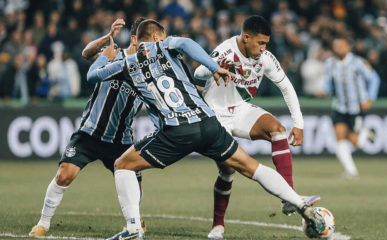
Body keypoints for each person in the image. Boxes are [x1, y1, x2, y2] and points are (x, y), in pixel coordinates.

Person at [87, 19, 326, 240]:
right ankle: (299, 203)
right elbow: (188, 45)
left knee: (123, 164)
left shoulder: (126, 63)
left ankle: (132, 228)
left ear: (139, 40)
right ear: (159, 36)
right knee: (251, 166)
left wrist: (104, 57)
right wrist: (213, 67)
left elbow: (92, 76)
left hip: (177, 130)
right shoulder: (169, 46)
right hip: (208, 121)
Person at [193, 15, 320, 239]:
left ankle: (288, 199)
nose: (263, 48)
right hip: (216, 115)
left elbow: (287, 88)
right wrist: (214, 66)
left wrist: (298, 124)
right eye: (260, 43)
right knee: (228, 170)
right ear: (246, 37)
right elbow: (198, 75)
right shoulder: (225, 50)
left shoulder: (266, 58)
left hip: (241, 109)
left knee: (277, 128)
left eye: (266, 44)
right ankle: (218, 226)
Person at [29, 18, 148, 237]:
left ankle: (135, 219)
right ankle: (43, 223)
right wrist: (107, 37)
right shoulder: (113, 53)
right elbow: (86, 54)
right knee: (65, 174)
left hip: (120, 140)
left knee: (134, 185)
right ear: (135, 39)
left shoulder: (149, 72)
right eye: (148, 40)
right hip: (90, 132)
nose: (152, 46)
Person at [319, 38, 380, 179]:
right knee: (339, 138)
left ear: (348, 47)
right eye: (336, 46)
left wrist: (370, 98)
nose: (338, 48)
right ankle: (351, 171)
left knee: (356, 142)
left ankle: (366, 132)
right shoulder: (330, 64)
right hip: (339, 106)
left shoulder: (358, 62)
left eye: (341, 45)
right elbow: (328, 83)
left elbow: (374, 79)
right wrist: (323, 90)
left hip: (356, 107)